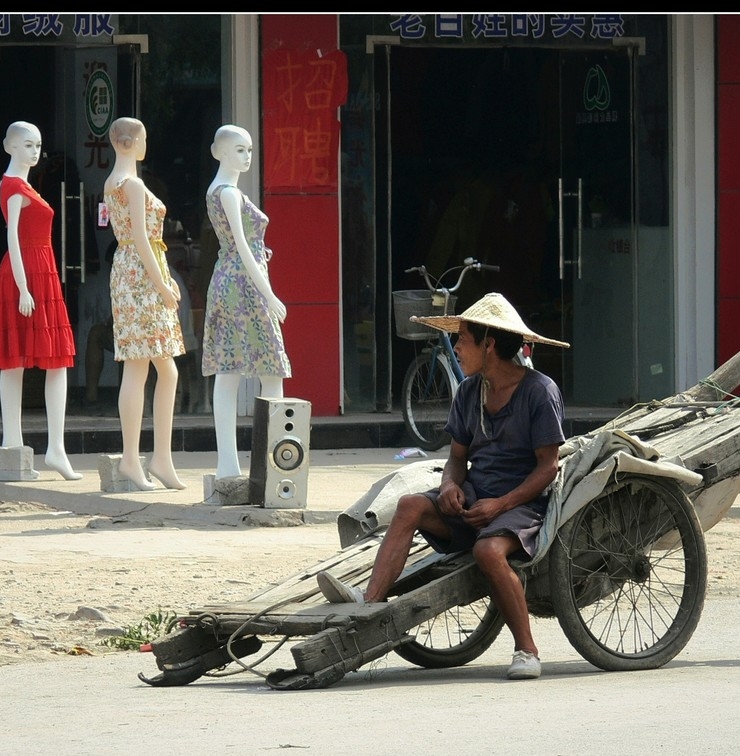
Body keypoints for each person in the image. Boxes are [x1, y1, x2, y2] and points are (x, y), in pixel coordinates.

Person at [316, 293, 570, 681]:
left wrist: (499, 505)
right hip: (472, 501)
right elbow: (456, 457)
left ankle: (527, 650)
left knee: (488, 550)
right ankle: (369, 601)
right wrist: (451, 484)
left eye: (463, 340)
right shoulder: (470, 391)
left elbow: (547, 468)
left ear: (489, 344)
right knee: (409, 505)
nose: (455, 348)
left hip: (522, 506)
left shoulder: (539, 391)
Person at [0, 121, 81, 480]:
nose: (34, 151)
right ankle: (18, 444)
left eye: (37, 144)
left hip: (39, 270)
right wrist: (24, 287)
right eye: (26, 144)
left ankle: (51, 448)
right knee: (18, 359)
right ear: (9, 146)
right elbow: (11, 236)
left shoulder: (21, 184)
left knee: (51, 359)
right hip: (26, 272)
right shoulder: (13, 186)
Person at [202, 124, 291, 479]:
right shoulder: (228, 194)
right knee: (269, 368)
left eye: (249, 149)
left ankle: (235, 465)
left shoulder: (218, 191)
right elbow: (241, 246)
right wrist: (269, 295)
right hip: (243, 283)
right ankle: (275, 462)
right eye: (239, 150)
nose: (247, 156)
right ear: (220, 152)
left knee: (231, 370)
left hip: (229, 279)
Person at [103, 117, 186, 490]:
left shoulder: (112, 183)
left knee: (147, 369)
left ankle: (152, 459)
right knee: (155, 369)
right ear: (132, 142)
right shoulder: (132, 184)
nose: (146, 144)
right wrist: (164, 284)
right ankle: (139, 459)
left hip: (129, 271)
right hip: (141, 273)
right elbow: (139, 237)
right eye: (144, 138)